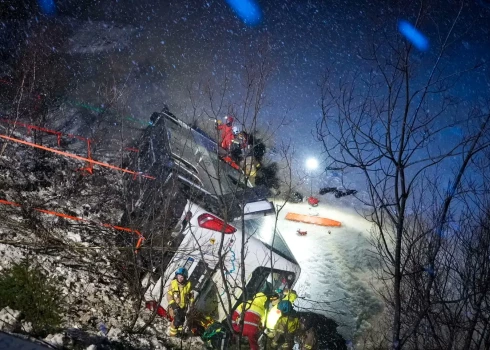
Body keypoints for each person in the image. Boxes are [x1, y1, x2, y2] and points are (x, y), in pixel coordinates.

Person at [167, 267, 194, 337]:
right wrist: (174, 306)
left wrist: (191, 304)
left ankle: (179, 333)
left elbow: (191, 295)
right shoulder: (173, 283)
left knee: (181, 321)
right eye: (178, 276)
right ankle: (172, 335)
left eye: (182, 277)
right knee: (177, 320)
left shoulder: (188, 285)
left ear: (185, 277)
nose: (180, 278)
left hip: (183, 307)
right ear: (176, 275)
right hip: (174, 306)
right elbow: (169, 296)